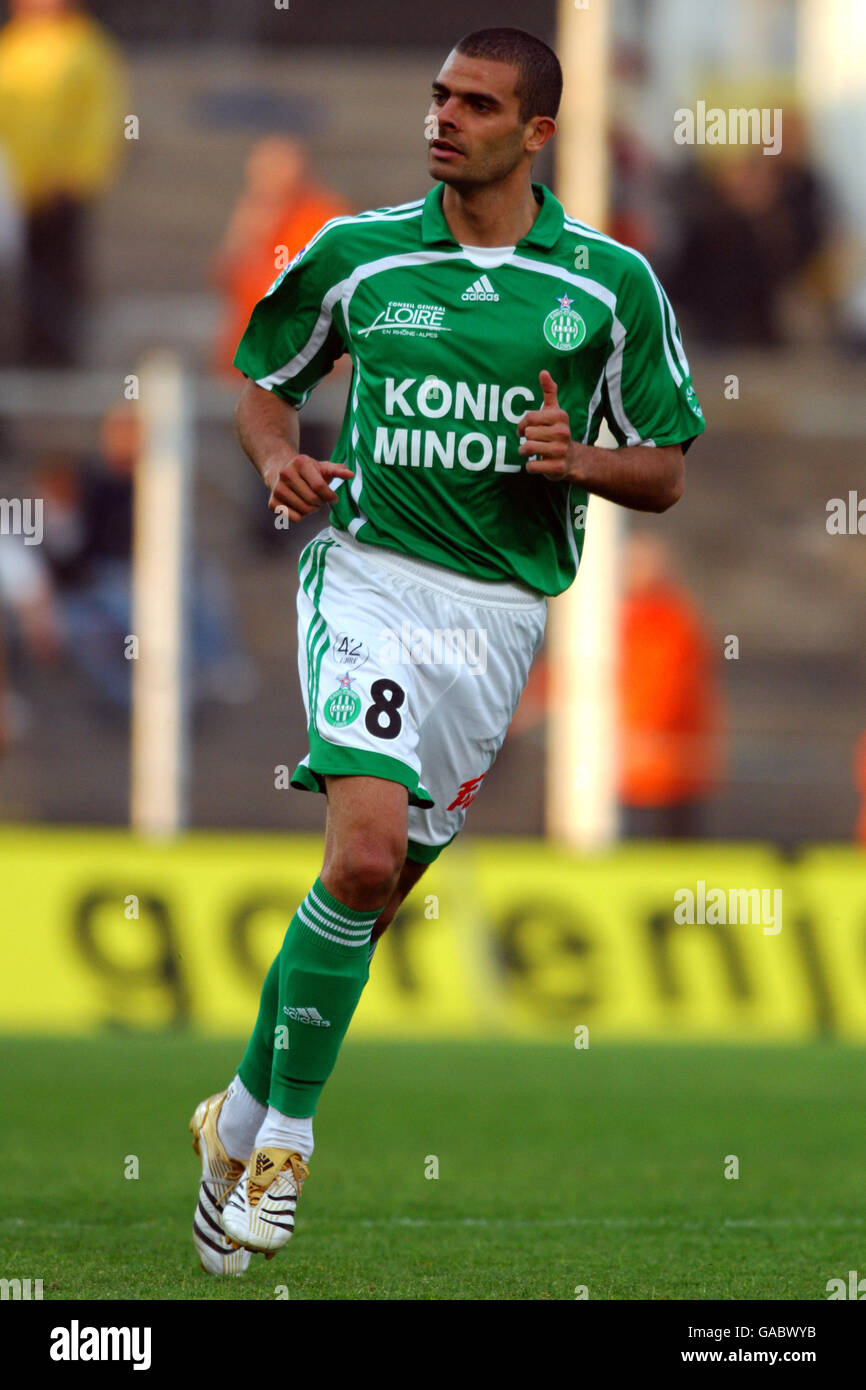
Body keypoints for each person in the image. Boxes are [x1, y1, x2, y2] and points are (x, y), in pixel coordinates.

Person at [189, 26, 705, 1276]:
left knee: (370, 898)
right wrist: (278, 458)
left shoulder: (606, 285)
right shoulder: (357, 253)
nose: (443, 117)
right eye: (436, 95)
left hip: (495, 620)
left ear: (536, 134)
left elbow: (668, 465)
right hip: (367, 578)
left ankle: (236, 1113)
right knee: (361, 861)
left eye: (476, 103)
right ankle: (285, 1147)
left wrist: (576, 459)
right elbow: (264, 374)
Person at [0, 0, 126, 365]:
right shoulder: (11, 46)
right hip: (12, 195)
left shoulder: (87, 48)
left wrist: (78, 174)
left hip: (59, 192)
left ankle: (55, 358)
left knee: (55, 278)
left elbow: (100, 119)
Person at [618, 532, 722, 839]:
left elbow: (669, 688)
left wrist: (645, 736)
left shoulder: (673, 623)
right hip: (634, 771)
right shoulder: (625, 620)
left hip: (664, 772)